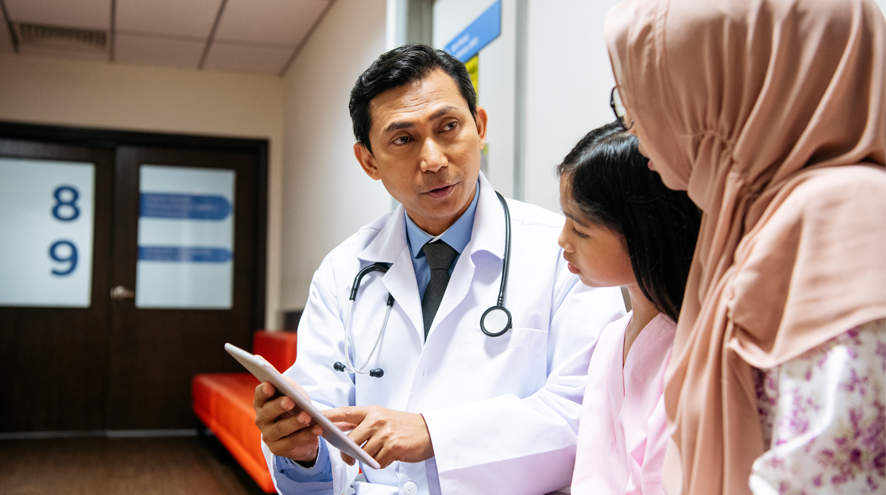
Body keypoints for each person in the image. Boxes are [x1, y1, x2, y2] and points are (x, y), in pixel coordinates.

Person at [253, 44, 625, 495]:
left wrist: (435, 435)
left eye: (448, 127)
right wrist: (301, 453)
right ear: (369, 161)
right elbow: (325, 424)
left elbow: (587, 413)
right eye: (403, 139)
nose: (433, 160)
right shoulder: (342, 271)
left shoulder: (565, 253)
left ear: (479, 127)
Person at [604, 0, 886, 493]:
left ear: (741, 90)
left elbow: (828, 473)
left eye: (651, 94)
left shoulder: (840, 218)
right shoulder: (750, 217)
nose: (632, 124)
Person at [557, 122, 701, 494]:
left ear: (643, 234)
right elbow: (590, 471)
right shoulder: (612, 337)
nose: (562, 241)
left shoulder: (691, 354)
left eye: (581, 230)